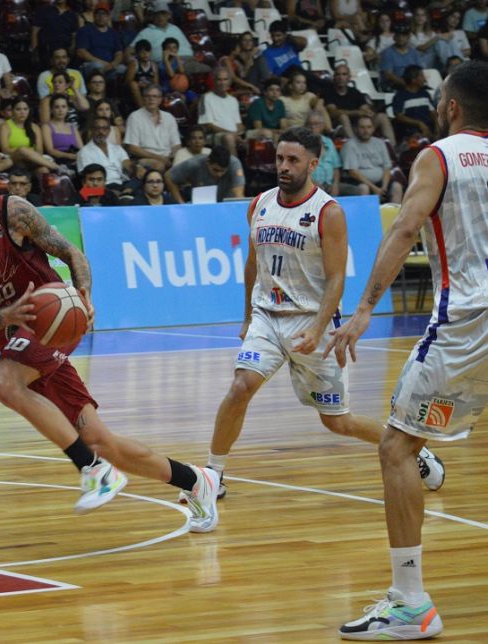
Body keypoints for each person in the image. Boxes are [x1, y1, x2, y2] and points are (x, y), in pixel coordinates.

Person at [0, 140, 221, 526]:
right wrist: (5, 315)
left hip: (54, 322)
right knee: (100, 439)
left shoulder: (12, 211)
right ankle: (197, 481)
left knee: (3, 382)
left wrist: (83, 292)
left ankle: (93, 470)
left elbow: (72, 254)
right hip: (16, 342)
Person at [193, 126, 443, 513]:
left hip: (313, 322)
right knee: (241, 386)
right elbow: (253, 264)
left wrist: (316, 327)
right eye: (280, 158)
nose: (283, 166)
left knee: (338, 422)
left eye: (293, 160)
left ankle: (415, 450)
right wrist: (247, 317)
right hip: (267, 317)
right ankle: (213, 473)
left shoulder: (329, 212)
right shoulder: (259, 204)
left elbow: (336, 278)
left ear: (312, 164)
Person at [327, 59, 488, 642]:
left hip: (467, 320)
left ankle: (410, 603)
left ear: (452, 107)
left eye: (441, 99)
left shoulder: (439, 156)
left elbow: (404, 230)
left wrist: (364, 309)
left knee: (397, 447)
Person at [323, 63, 397, 144]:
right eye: (338, 74)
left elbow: (364, 108)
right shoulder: (329, 92)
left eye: (344, 74)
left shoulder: (355, 92)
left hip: (358, 126)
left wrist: (368, 112)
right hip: (340, 127)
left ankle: (392, 148)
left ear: (349, 77)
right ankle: (354, 146)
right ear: (334, 77)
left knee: (382, 116)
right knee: (343, 117)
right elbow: (333, 112)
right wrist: (357, 113)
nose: (341, 77)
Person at [341, 114, 403, 203]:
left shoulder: (380, 143)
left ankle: (394, 212)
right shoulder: (349, 145)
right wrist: (374, 188)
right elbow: (353, 173)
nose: (366, 131)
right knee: (364, 188)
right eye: (362, 127)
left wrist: (384, 187)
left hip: (381, 183)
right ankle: (365, 212)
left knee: (397, 187)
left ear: (373, 129)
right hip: (359, 182)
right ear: (356, 129)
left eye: (369, 127)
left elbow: (387, 167)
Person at [123, 85, 181, 172]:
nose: (151, 99)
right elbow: (132, 148)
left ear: (160, 99)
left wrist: (173, 156)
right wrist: (159, 158)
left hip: (168, 158)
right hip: (144, 158)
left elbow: (176, 145)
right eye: (148, 96)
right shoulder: (135, 117)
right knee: (158, 165)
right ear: (143, 98)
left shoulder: (169, 117)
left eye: (155, 96)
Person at [0, 97, 61, 173]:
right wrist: (24, 152)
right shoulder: (5, 126)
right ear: (12, 111)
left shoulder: (35, 127)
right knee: (22, 149)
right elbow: (5, 150)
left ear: (29, 110)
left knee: (43, 170)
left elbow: (39, 151)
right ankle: (57, 167)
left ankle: (58, 170)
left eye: (25, 109)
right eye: (18, 109)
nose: (22, 112)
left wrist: (28, 154)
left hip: (32, 161)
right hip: (14, 160)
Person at [164, 145, 245, 203]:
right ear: (208, 162)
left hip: (226, 205)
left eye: (223, 171)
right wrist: (181, 203)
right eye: (215, 170)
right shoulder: (194, 163)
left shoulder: (235, 164)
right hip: (201, 204)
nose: (219, 174)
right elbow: (168, 176)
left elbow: (238, 194)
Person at [77, 116, 131, 189]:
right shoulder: (84, 152)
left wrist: (136, 168)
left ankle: (127, 191)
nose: (101, 132)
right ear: (92, 130)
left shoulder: (117, 148)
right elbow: (88, 181)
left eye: (104, 128)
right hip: (103, 187)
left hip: (123, 183)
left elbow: (127, 164)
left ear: (109, 131)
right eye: (97, 128)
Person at [75, 3, 125, 79]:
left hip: (109, 66)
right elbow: (81, 52)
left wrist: (113, 64)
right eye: (98, 13)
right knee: (97, 66)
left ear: (108, 17)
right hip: (91, 65)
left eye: (104, 14)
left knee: (122, 69)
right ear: (94, 16)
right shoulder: (85, 30)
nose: (101, 16)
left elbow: (119, 53)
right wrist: (102, 63)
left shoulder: (114, 33)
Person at [392, 65, 437, 140]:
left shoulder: (425, 94)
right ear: (413, 80)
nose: (425, 79)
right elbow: (399, 117)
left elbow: (433, 113)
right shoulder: (400, 96)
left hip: (428, 128)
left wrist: (437, 128)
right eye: (421, 76)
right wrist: (419, 123)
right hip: (409, 131)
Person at [246, 76, 286, 141]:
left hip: (274, 132)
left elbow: (283, 126)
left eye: (278, 90)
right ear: (265, 92)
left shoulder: (280, 103)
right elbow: (258, 127)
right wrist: (275, 131)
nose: (275, 93)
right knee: (266, 133)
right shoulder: (257, 104)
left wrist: (281, 131)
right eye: (271, 90)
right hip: (254, 132)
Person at [125, 39, 159, 109]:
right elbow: (128, 82)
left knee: (155, 88)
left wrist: (147, 85)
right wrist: (139, 84)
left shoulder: (154, 65)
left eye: (147, 51)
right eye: (142, 52)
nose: (145, 54)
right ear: (137, 53)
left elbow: (156, 83)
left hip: (148, 89)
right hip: (136, 90)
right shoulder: (134, 64)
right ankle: (142, 109)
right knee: (133, 84)